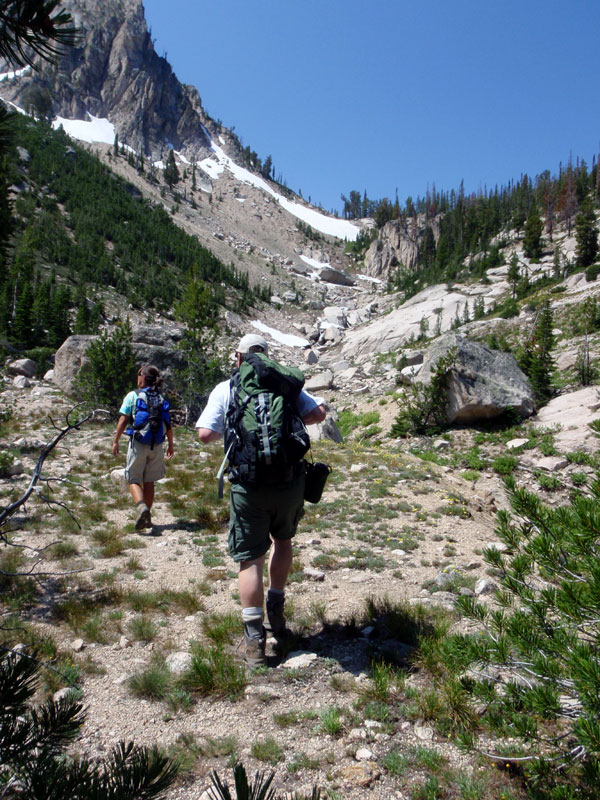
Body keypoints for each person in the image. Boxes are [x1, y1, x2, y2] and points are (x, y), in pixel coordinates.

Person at [196, 334, 326, 666]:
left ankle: (254, 640)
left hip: (248, 483)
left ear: (238, 358)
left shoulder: (228, 387)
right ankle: (277, 614)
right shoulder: (283, 383)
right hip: (289, 482)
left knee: (250, 559)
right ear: (266, 357)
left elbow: (205, 434)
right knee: (283, 540)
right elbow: (318, 415)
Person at [112, 364, 174, 530]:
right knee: (149, 481)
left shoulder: (133, 396)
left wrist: (116, 441)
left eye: (139, 374)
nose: (137, 377)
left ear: (144, 378)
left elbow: (123, 420)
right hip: (157, 444)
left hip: (138, 443)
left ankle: (141, 507)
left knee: (132, 479)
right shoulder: (161, 399)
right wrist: (171, 445)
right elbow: (168, 424)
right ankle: (148, 518)